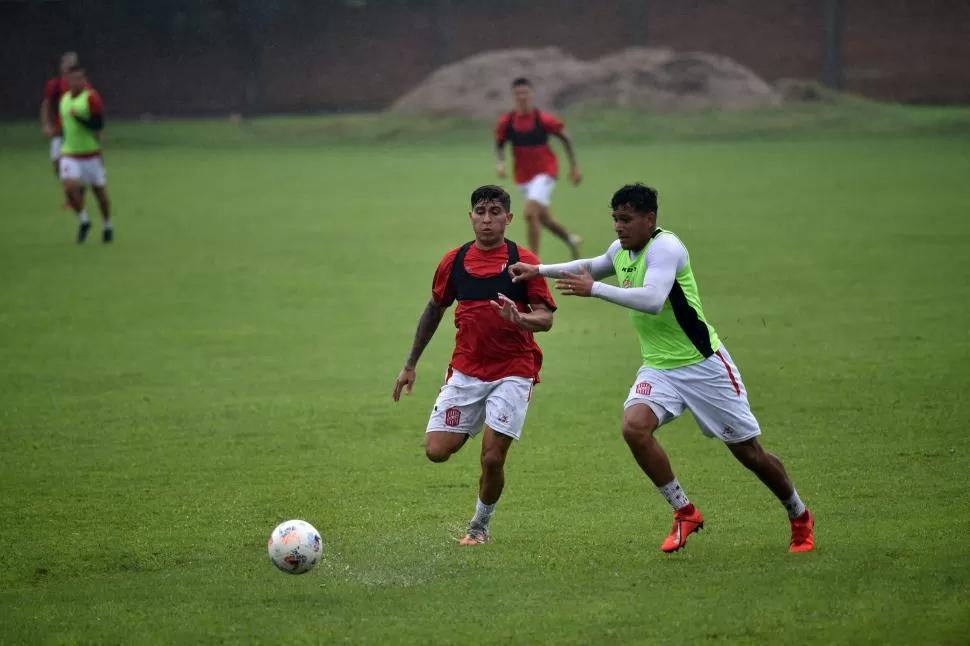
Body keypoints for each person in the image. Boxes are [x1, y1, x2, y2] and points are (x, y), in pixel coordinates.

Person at [508, 183, 815, 553]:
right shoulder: (620, 250)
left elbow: (653, 300)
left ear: (649, 219)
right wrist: (538, 269)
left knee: (749, 453)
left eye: (626, 220)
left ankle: (798, 515)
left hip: (703, 367)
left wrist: (596, 291)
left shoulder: (665, 248)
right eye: (615, 220)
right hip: (659, 368)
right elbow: (589, 266)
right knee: (634, 428)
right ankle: (684, 511)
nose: (618, 228)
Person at [393, 185, 556, 545]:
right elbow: (435, 308)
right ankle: (480, 414)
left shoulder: (522, 261)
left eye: (495, 212)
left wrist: (519, 320)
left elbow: (545, 318)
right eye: (480, 212)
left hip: (514, 369)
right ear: (470, 217)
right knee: (436, 451)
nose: (487, 219)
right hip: (467, 371)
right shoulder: (454, 261)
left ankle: (479, 528)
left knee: (492, 458)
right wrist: (410, 364)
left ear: (508, 218)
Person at [495, 77, 583, 259]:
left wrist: (574, 166)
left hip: (545, 172)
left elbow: (566, 138)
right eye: (518, 93)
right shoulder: (508, 121)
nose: (522, 97)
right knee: (544, 218)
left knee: (529, 213)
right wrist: (501, 163)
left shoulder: (542, 119)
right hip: (522, 177)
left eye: (525, 92)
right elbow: (499, 144)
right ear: (513, 96)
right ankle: (571, 240)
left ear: (532, 94)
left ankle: (532, 261)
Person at [59, 63, 112, 244]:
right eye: (73, 79)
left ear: (85, 80)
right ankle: (84, 220)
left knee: (100, 195)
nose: (77, 82)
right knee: (69, 188)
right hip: (70, 154)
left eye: (80, 78)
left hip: (90, 154)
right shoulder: (64, 100)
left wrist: (80, 119)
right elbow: (66, 127)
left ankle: (107, 224)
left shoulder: (91, 98)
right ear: (68, 80)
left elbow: (98, 125)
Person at [40, 51, 81, 205]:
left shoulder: (81, 85)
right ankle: (72, 191)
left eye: (72, 65)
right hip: (59, 131)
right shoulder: (55, 84)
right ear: (62, 67)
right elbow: (46, 104)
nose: (69, 68)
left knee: (72, 164)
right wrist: (46, 123)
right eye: (67, 64)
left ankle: (72, 197)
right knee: (57, 164)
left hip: (75, 132)